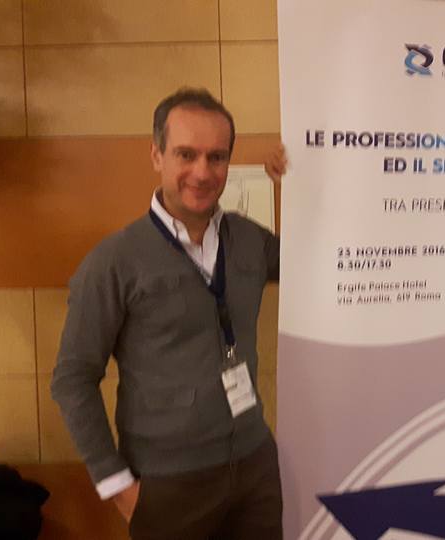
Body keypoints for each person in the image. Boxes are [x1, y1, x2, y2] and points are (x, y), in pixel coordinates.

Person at [51, 88, 283, 539]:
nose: (202, 172)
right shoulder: (114, 261)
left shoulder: (250, 240)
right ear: (157, 155)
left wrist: (304, 178)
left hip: (254, 471)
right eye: (186, 154)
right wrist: (117, 485)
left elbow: (328, 262)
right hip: (167, 484)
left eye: (216, 157)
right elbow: (72, 378)